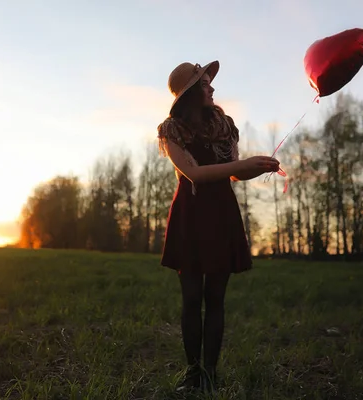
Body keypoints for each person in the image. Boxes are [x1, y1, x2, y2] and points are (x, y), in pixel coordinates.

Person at [156, 61, 280, 393]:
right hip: (191, 214)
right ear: (191, 93)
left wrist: (257, 166)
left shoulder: (224, 126)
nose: (212, 88)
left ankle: (211, 374)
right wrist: (242, 165)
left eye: (210, 83)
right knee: (192, 297)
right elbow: (193, 174)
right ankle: (193, 372)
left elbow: (234, 171)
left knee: (216, 297)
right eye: (206, 83)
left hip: (221, 212)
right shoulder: (171, 131)